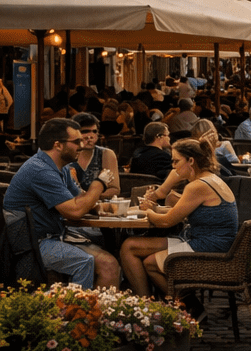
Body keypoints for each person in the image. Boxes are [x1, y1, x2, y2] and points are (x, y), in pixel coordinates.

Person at [3, 118, 120, 287]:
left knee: (109, 261)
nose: (82, 145)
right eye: (76, 141)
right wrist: (99, 183)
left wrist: (96, 207)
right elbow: (75, 211)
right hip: (32, 245)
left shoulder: (62, 168)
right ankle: (74, 309)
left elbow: (79, 199)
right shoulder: (40, 170)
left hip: (54, 236)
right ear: (58, 145)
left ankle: (99, 308)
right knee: (84, 262)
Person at [119, 139, 237, 301]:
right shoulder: (209, 179)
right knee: (130, 246)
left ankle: (185, 304)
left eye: (176, 161)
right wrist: (154, 209)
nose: (173, 166)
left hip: (209, 247)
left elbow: (167, 221)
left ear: (191, 161)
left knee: (150, 263)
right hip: (210, 242)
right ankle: (147, 304)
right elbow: (178, 212)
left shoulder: (197, 186)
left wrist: (147, 211)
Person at [71, 113, 120, 188]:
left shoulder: (106, 154)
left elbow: (114, 188)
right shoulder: (66, 153)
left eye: (94, 131)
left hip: (99, 199)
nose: (90, 136)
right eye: (85, 131)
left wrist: (90, 197)